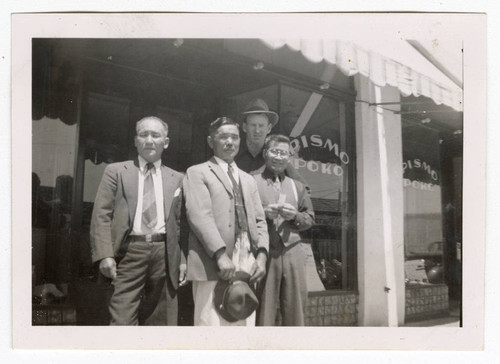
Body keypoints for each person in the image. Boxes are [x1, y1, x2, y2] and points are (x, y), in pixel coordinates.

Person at [90, 116, 186, 326]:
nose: (149, 140)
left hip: (165, 254)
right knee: (121, 318)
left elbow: (181, 224)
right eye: (144, 135)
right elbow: (101, 215)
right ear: (135, 140)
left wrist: (183, 259)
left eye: (155, 135)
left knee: (161, 320)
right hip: (129, 252)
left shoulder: (177, 178)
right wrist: (105, 255)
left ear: (166, 142)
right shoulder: (116, 171)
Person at [183, 116, 269, 326]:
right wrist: (220, 254)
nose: (230, 142)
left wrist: (262, 256)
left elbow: (260, 220)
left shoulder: (248, 179)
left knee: (243, 322)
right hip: (212, 260)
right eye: (223, 137)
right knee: (211, 322)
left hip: (247, 258)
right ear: (211, 141)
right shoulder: (198, 172)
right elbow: (199, 216)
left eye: (234, 137)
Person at [252, 134, 315, 326]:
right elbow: (242, 217)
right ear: (265, 153)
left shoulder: (297, 186)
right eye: (275, 151)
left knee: (296, 308)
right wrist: (263, 213)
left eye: (284, 153)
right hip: (265, 251)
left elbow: (310, 218)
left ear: (289, 158)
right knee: (264, 308)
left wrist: (295, 216)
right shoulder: (250, 181)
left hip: (292, 251)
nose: (279, 157)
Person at [235, 98, 308, 188]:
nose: (257, 130)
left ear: (269, 128)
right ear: (245, 127)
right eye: (253, 125)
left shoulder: (276, 155)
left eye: (261, 126)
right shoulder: (233, 153)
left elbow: (304, 188)